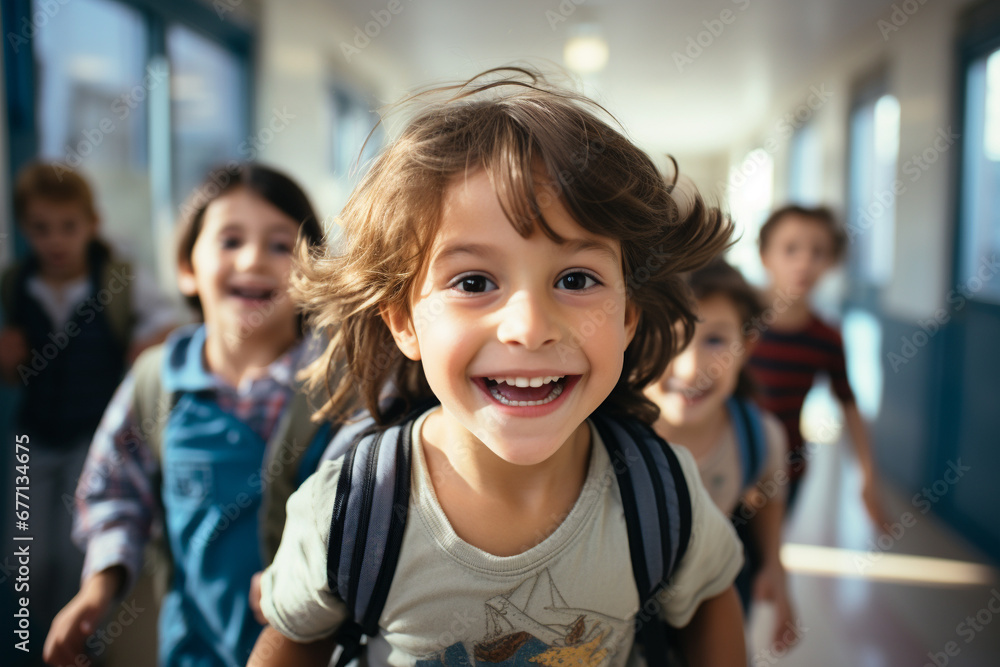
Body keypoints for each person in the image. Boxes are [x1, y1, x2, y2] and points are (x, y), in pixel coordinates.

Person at [249, 67, 747, 667]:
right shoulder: (351, 511)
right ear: (403, 321)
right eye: (474, 281)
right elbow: (292, 642)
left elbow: (711, 597)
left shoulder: (660, 492)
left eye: (576, 279)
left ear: (628, 317)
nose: (530, 326)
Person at [42, 164, 334, 667]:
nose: (253, 259)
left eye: (281, 245)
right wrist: (98, 588)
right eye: (230, 240)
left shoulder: (343, 386)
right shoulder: (155, 383)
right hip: (192, 653)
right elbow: (113, 493)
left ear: (315, 272)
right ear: (185, 267)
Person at [0, 162, 175, 666]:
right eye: (40, 228)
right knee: (27, 555)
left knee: (85, 550)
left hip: (94, 439)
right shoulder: (16, 285)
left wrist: (147, 342)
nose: (55, 240)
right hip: (32, 436)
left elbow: (168, 319)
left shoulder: (118, 279)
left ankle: (82, 649)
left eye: (68, 227)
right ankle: (26, 648)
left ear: (91, 224)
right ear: (24, 229)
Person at [644, 258, 796, 653]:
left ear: (745, 347)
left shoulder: (759, 436)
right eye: (669, 338)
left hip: (714, 592)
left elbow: (768, 496)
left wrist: (774, 567)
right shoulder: (607, 438)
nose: (691, 368)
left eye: (714, 340)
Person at [748, 204, 889, 526]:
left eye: (818, 252)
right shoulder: (737, 321)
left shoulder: (827, 337)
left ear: (832, 262)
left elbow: (849, 404)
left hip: (786, 470)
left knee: (764, 565)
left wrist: (868, 477)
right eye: (791, 249)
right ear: (765, 256)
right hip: (730, 461)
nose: (804, 262)